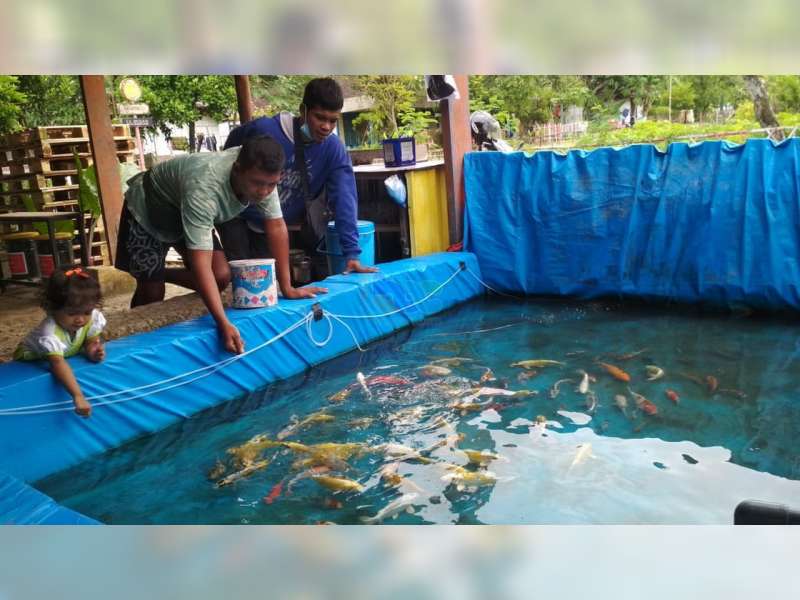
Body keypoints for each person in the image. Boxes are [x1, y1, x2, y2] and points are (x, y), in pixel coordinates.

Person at [115, 135, 325, 355]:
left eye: (271, 184)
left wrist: (288, 287)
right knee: (152, 291)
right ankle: (132, 349)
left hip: (186, 209)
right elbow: (200, 263)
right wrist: (223, 323)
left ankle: (159, 273)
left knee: (221, 276)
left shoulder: (263, 177)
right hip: (150, 207)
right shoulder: (205, 187)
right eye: (257, 183)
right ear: (237, 169)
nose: (263, 192)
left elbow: (276, 227)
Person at [219, 77, 378, 277]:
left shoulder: (333, 149)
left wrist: (351, 254)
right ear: (303, 110)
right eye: (320, 118)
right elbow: (228, 153)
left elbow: (345, 199)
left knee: (265, 279)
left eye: (332, 120)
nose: (326, 127)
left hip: (271, 224)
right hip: (236, 214)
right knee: (242, 275)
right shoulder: (265, 130)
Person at [14, 267, 106, 417]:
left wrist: (93, 351)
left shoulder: (92, 318)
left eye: (86, 312)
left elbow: (91, 339)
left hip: (63, 352)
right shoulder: (49, 332)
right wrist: (78, 396)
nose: (80, 319)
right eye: (71, 313)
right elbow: (57, 363)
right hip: (30, 358)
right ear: (52, 308)